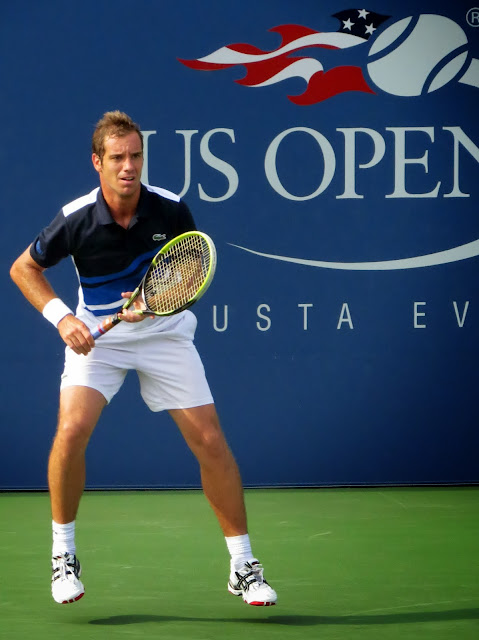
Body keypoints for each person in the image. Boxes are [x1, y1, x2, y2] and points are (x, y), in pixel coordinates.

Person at [10, 111, 277, 607]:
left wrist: (155, 303)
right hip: (99, 336)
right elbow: (23, 267)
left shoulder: (171, 209)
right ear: (98, 163)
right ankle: (62, 556)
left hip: (164, 332)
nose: (129, 166)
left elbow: (191, 271)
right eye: (117, 158)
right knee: (71, 431)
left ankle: (243, 564)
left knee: (211, 440)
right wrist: (64, 318)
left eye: (135, 156)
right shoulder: (76, 218)